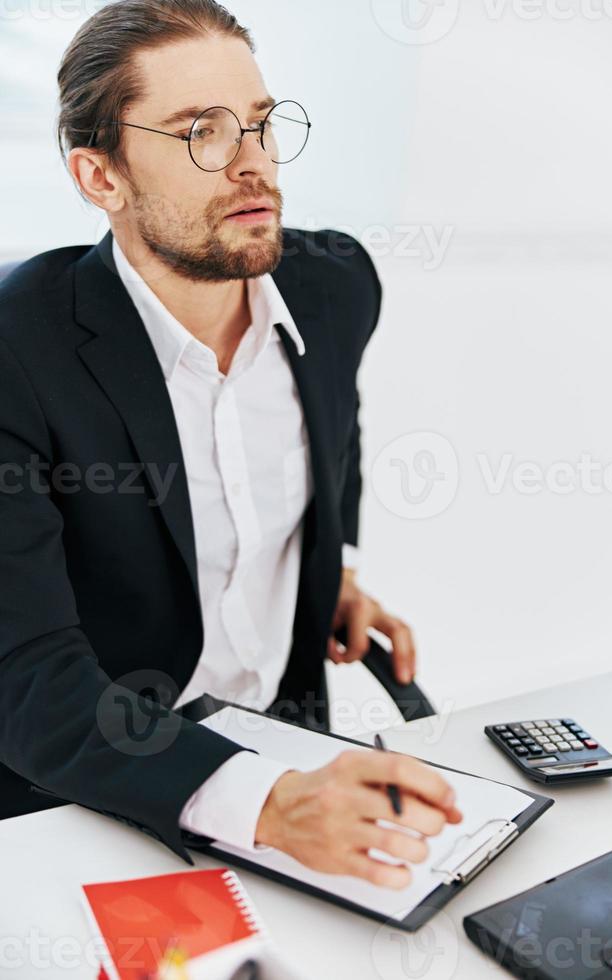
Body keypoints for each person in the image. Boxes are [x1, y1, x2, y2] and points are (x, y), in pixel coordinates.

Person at [0, 0, 461, 889]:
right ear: (101, 177)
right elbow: (26, 678)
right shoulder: (18, 354)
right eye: (199, 132)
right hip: (83, 796)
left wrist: (336, 565)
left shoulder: (333, 288)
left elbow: (333, 427)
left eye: (258, 122)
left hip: (286, 740)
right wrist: (270, 802)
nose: (252, 162)